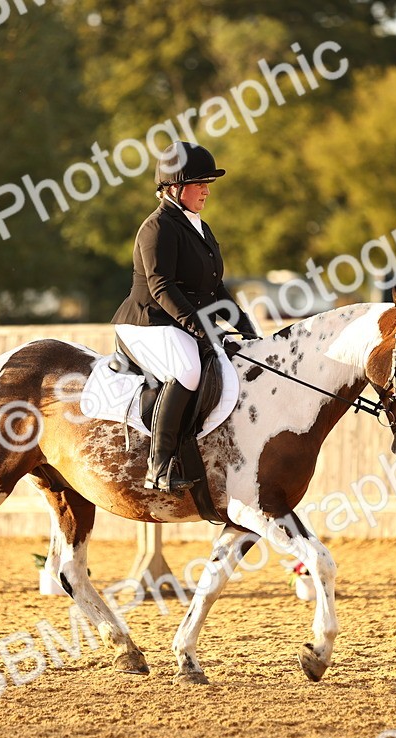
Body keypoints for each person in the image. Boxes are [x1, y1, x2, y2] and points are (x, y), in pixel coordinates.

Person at [111, 141, 260, 493]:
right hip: (147, 321)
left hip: (178, 321)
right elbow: (162, 286)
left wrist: (242, 323)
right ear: (175, 188)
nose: (207, 190)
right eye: (199, 183)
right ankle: (159, 465)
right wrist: (200, 326)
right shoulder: (157, 227)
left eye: (207, 183)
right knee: (187, 369)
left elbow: (214, 286)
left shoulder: (200, 227)